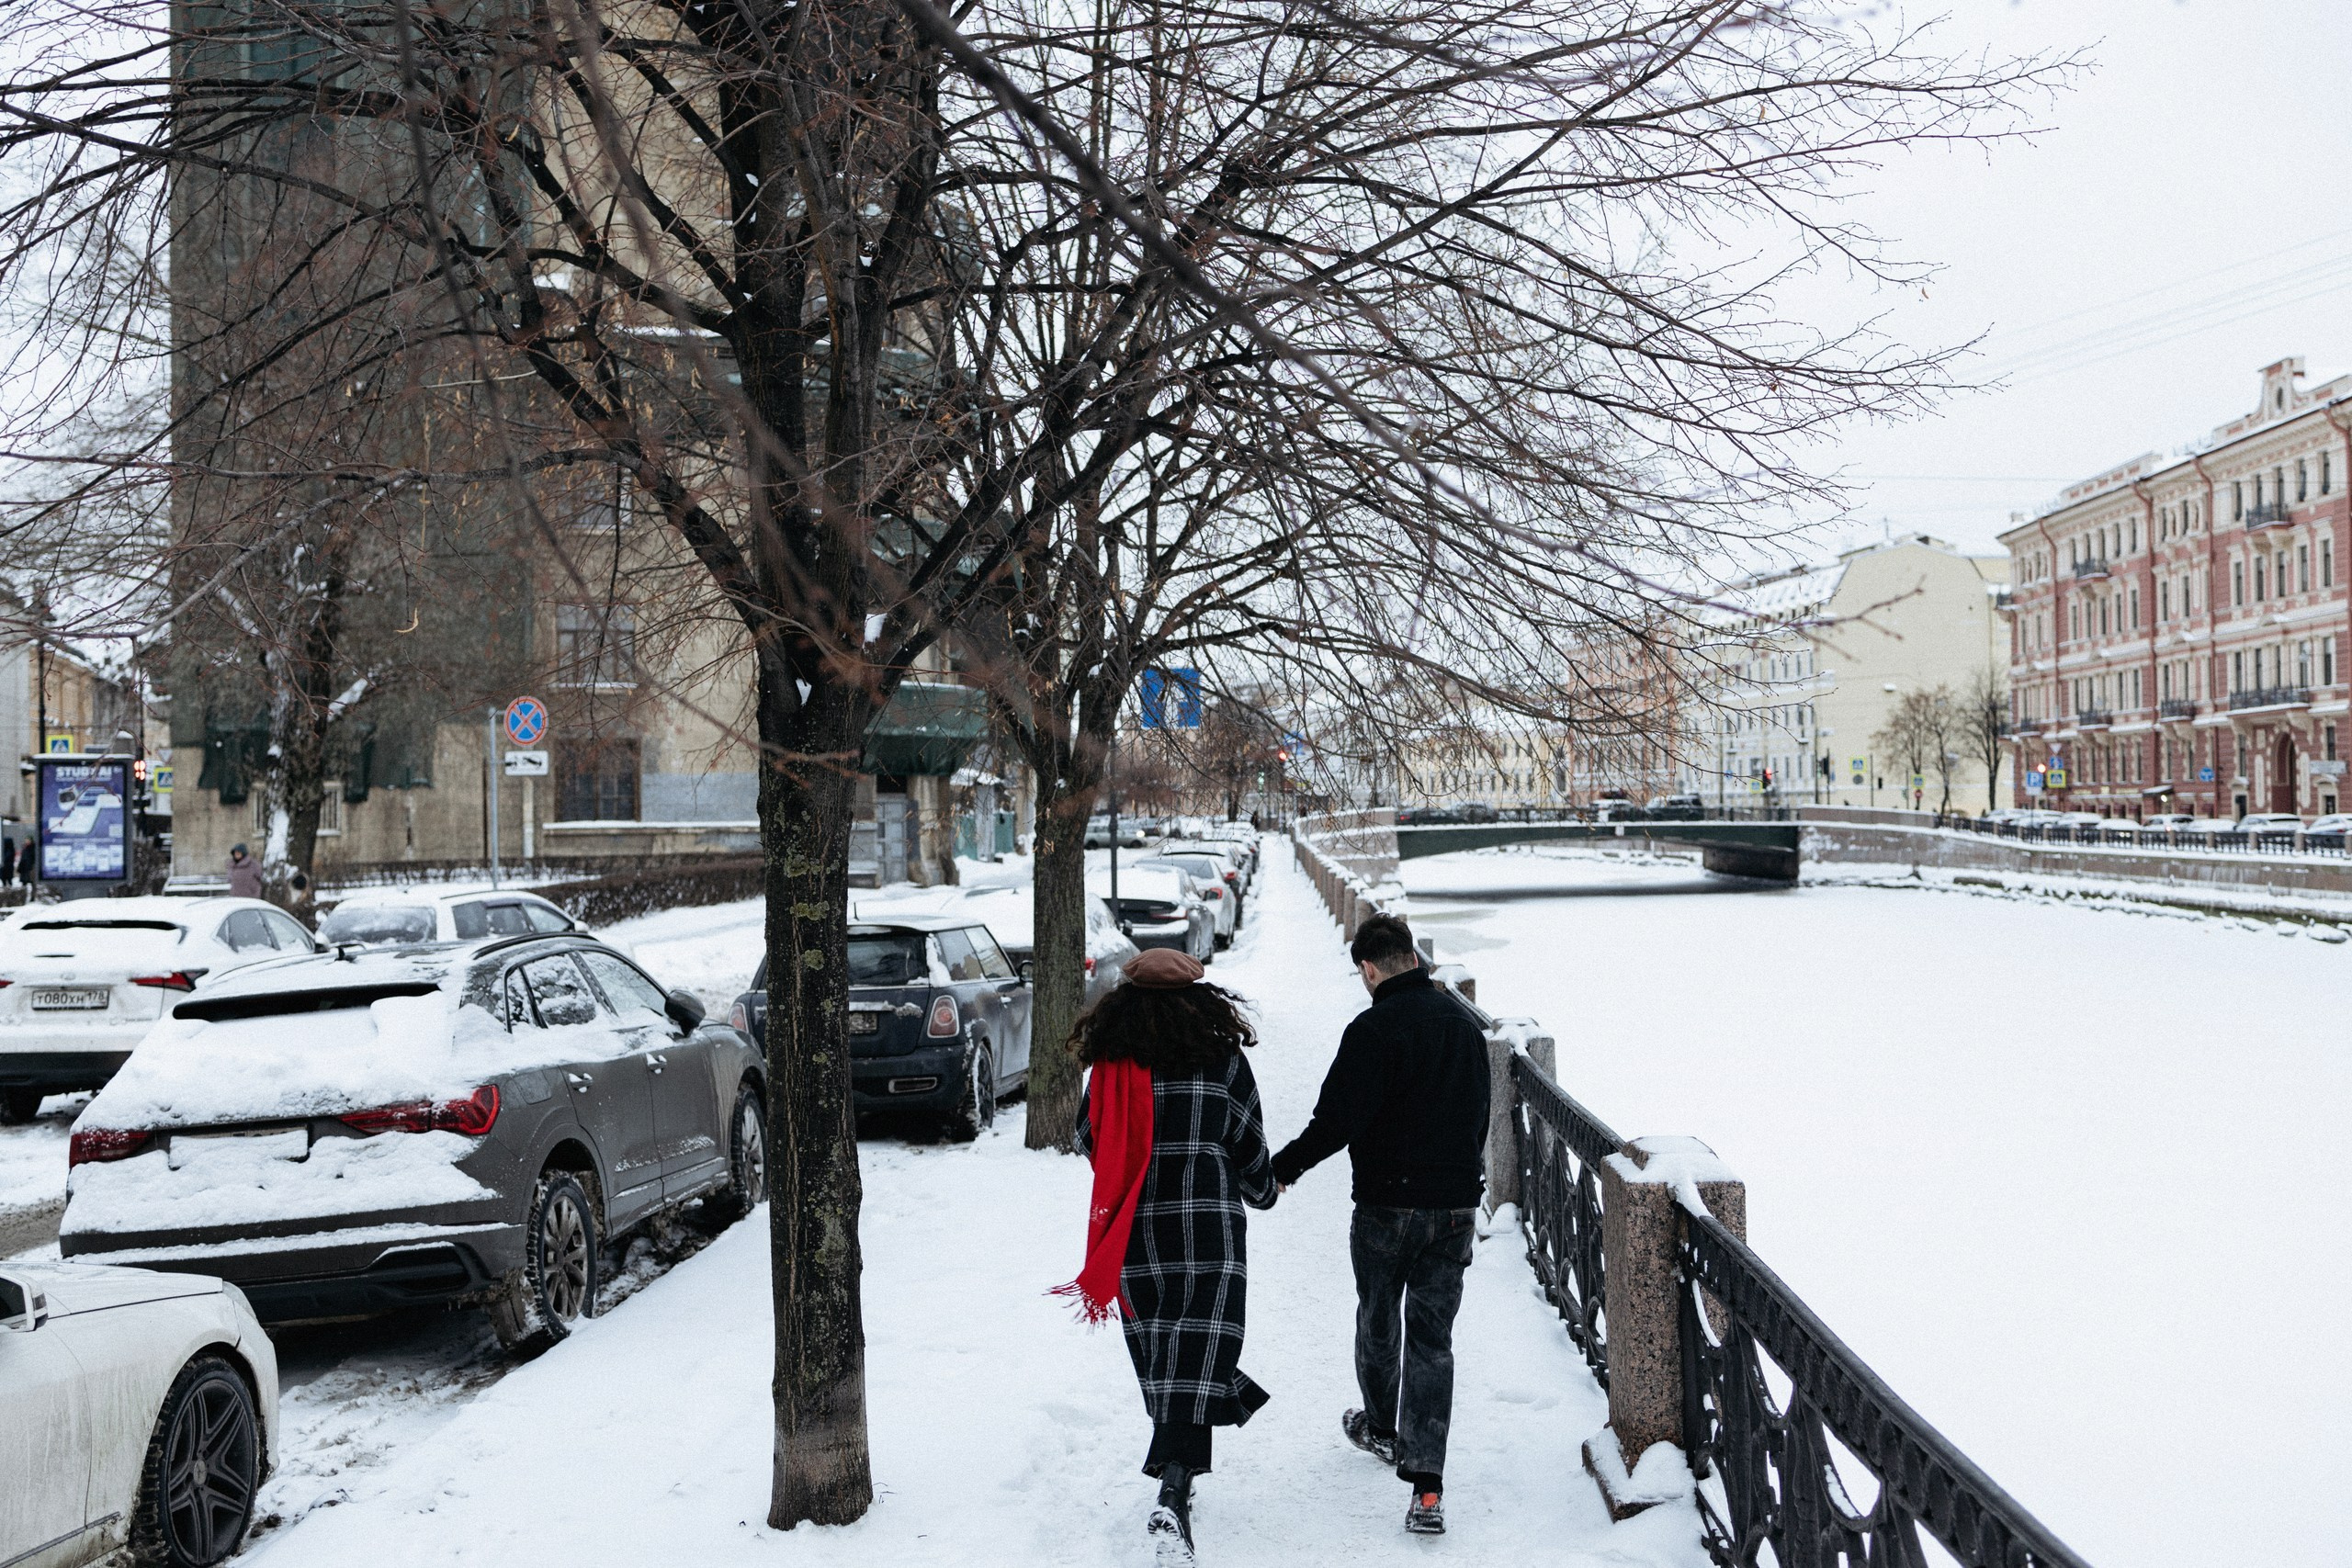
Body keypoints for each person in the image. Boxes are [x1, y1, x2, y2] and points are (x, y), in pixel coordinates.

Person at [1270, 912, 1489, 1537]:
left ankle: (1383, 1426)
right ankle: (1426, 1491)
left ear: (1369, 968)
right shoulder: (1464, 1027)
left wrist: (1284, 1168)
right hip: (1451, 1208)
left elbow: (1336, 1120)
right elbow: (1480, 1115)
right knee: (1432, 1339)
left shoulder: (1370, 1029)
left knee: (1377, 1315)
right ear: (1413, 956)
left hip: (1385, 1208)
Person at [1062, 945, 1277, 1565]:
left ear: (1124, 1004)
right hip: (1209, 1229)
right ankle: (1175, 1490)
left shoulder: (1112, 1064)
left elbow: (1088, 1137)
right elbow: (1247, 1139)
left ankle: (1177, 1484)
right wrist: (1261, 1187)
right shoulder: (1221, 1057)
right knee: (1199, 1350)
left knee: (1165, 1355)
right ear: (1198, 999)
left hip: (1136, 1230)